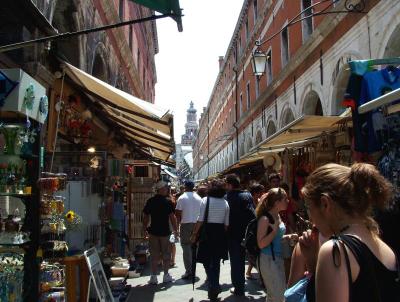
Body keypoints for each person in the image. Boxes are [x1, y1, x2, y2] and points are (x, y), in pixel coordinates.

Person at [300, 163, 400, 302]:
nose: (310, 218)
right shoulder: (383, 247)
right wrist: (313, 263)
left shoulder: (335, 251)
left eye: (308, 207)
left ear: (325, 204)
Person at [256, 188, 298, 302]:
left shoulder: (277, 216)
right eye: (285, 199)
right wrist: (274, 231)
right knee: (278, 296)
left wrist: (288, 236)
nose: (288, 201)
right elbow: (261, 243)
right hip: (268, 260)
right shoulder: (265, 219)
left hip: (277, 258)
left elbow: (276, 239)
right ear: (276, 202)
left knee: (274, 295)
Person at [191, 179, 229, 301]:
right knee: (216, 261)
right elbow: (226, 225)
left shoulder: (205, 200)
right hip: (220, 234)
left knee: (206, 261)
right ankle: (214, 286)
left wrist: (194, 234)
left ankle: (214, 284)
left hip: (207, 234)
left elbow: (200, 220)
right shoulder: (225, 203)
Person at [143, 181, 179, 285]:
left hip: (153, 232)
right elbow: (172, 217)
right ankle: (166, 275)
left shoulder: (150, 201)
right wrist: (176, 230)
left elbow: (146, 216)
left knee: (154, 255)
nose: (167, 190)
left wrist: (144, 228)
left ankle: (154, 276)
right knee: (166, 254)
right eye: (166, 188)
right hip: (165, 232)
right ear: (161, 189)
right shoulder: (168, 202)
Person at [225, 174, 255, 296]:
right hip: (247, 234)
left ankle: (239, 287)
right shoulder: (247, 195)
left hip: (232, 235)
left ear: (230, 185)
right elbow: (252, 215)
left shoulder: (227, 197)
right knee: (245, 260)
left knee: (236, 262)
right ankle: (241, 285)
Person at [175, 180, 202, 279]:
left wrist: (177, 226)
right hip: (197, 225)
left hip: (186, 224)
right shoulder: (199, 198)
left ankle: (189, 271)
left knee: (186, 247)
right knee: (194, 247)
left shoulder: (182, 198)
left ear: (185, 187)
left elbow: (177, 213)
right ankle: (193, 269)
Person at [246, 183, 265, 279]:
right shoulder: (251, 201)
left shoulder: (257, 201)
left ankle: (249, 272)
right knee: (255, 252)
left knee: (255, 253)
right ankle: (260, 275)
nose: (262, 193)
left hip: (258, 228)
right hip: (254, 230)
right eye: (261, 192)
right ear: (256, 193)